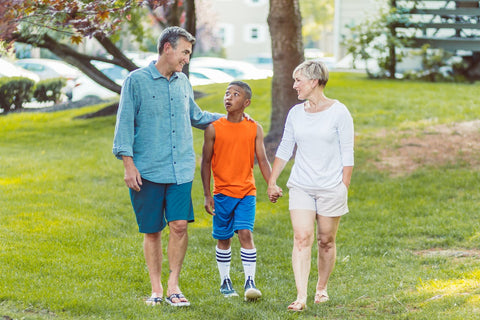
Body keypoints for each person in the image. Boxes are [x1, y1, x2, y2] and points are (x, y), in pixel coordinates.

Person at [112, 26, 223, 307]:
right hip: (147, 169)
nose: (186, 58)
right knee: (152, 230)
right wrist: (128, 165)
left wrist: (231, 119)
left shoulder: (183, 82)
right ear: (167, 48)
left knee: (179, 225)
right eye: (184, 52)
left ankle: (174, 285)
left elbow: (196, 116)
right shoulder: (135, 81)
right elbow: (124, 125)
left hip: (181, 168)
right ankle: (156, 288)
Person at [267, 60, 354, 312]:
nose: (294, 86)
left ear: (314, 81)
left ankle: (321, 288)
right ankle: (301, 296)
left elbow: (347, 152)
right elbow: (285, 147)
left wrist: (343, 186)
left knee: (326, 240)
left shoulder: (339, 112)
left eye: (298, 80)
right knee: (302, 237)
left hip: (331, 187)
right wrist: (273, 180)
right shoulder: (296, 113)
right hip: (302, 185)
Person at [201, 81, 274, 301]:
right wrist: (207, 194)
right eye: (227, 93)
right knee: (223, 239)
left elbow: (262, 159)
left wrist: (271, 184)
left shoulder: (254, 128)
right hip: (222, 193)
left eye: (235, 94)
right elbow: (205, 162)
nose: (228, 97)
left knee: (245, 233)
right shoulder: (214, 128)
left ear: (246, 103)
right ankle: (225, 281)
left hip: (246, 192)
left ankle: (249, 281)